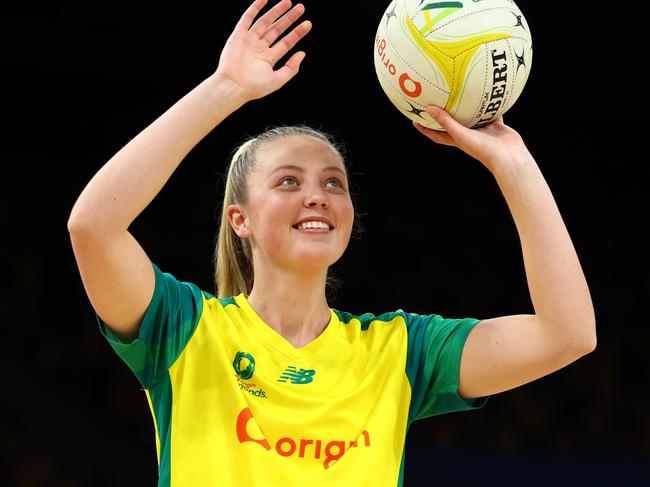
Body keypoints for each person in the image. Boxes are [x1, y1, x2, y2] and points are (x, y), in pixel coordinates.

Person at [67, 0, 597, 485]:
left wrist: (514, 163)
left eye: (333, 183)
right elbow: (92, 227)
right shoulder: (184, 331)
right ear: (240, 219)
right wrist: (225, 87)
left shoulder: (398, 354)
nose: (317, 196)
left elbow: (567, 334)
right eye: (289, 181)